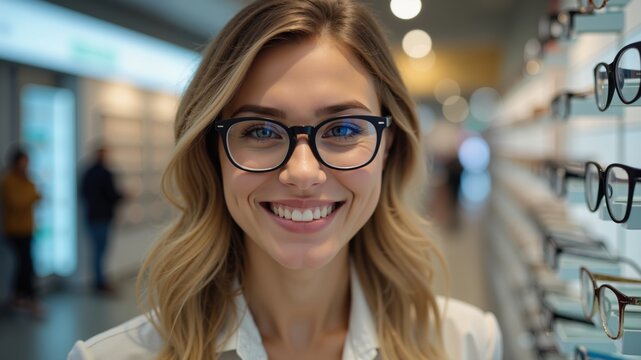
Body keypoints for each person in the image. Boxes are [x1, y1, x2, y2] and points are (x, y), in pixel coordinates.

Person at [69, 1, 502, 359]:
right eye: (259, 131)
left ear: (388, 146)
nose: (302, 173)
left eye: (344, 130)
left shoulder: (464, 343)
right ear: (212, 152)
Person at [1, 147, 44, 317]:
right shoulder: (8, 181)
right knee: (24, 265)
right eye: (24, 161)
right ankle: (23, 298)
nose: (26, 164)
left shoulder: (26, 179)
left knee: (26, 264)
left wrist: (32, 195)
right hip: (14, 230)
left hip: (27, 228)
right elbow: (17, 202)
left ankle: (22, 298)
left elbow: (34, 193)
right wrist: (32, 196)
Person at [80, 146, 123, 293]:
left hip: (92, 216)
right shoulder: (105, 173)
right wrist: (123, 196)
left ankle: (98, 280)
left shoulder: (88, 172)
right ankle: (100, 282)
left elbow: (82, 193)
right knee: (101, 251)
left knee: (97, 251)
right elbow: (112, 195)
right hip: (103, 217)